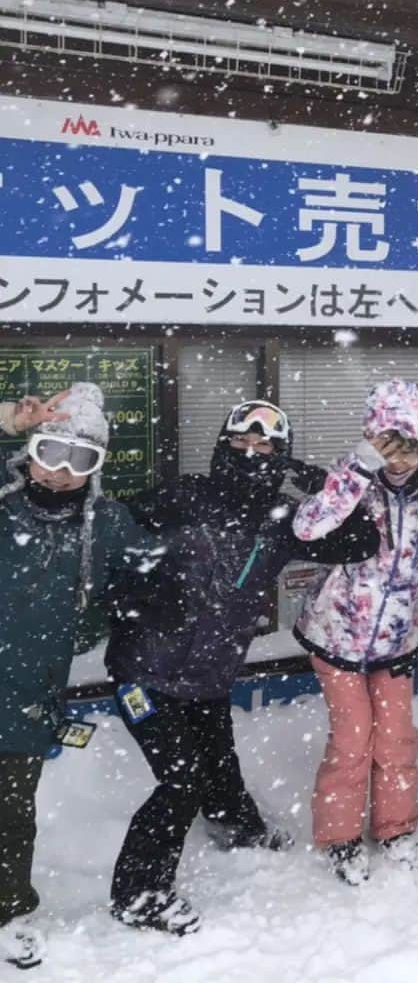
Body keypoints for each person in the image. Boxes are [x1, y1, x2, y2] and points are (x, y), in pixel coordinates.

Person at [105, 400, 378, 936]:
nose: (252, 454)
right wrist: (130, 597)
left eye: (268, 448)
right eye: (241, 443)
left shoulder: (285, 518)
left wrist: (313, 480)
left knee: (217, 759)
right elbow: (111, 541)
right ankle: (139, 893)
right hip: (145, 671)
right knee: (181, 779)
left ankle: (236, 827)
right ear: (223, 446)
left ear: (282, 456)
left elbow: (361, 539)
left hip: (208, 673)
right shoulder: (182, 496)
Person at [0, 384, 159, 970]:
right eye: (51, 451)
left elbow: (149, 578)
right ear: (30, 448)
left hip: (25, 697)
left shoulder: (107, 524)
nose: (62, 471)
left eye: (81, 458)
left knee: (12, 815)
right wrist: (9, 418)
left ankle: (7, 912)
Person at [291, 379, 418, 885]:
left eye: (407, 448)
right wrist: (359, 469)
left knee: (397, 740)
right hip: (336, 634)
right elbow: (307, 526)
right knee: (353, 738)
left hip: (398, 640)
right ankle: (339, 838)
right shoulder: (352, 480)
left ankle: (396, 829)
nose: (398, 461)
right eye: (386, 448)